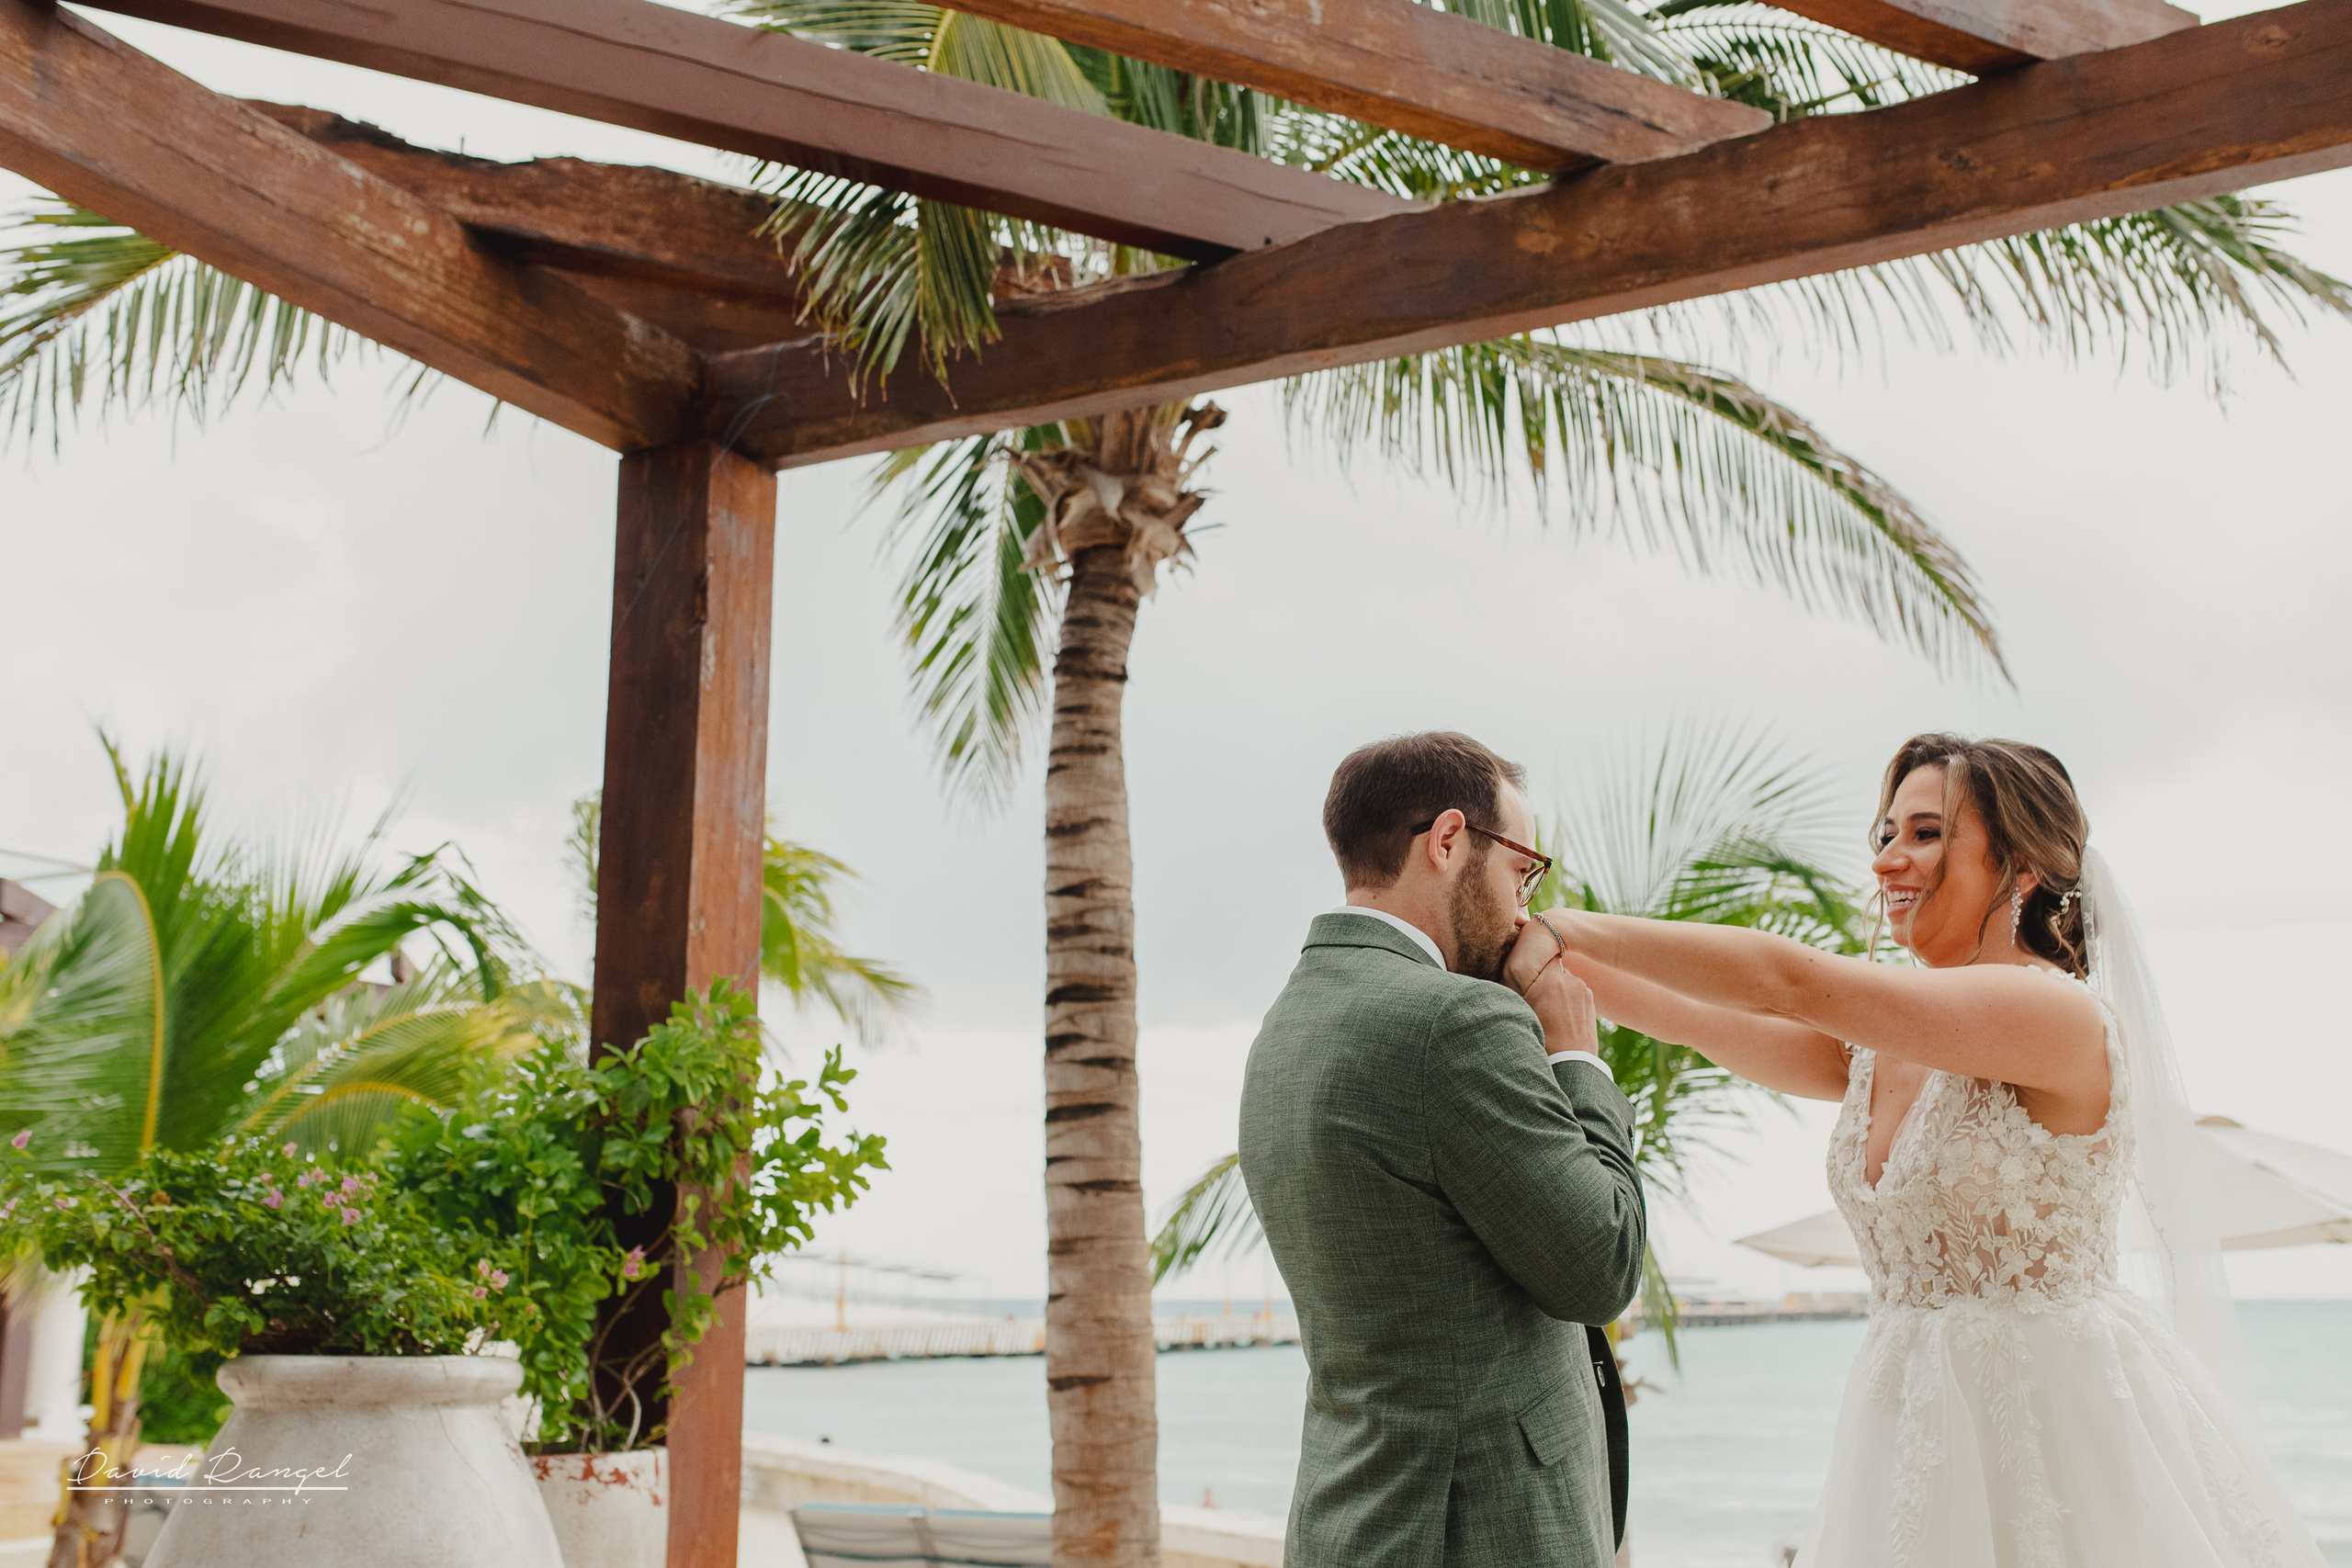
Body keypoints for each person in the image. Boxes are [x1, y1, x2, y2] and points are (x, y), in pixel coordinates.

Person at [1509, 732, 2325, 1568]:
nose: (1889, 860)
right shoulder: (1874, 1048)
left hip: (2054, 1425)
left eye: (1927, 833)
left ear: (2025, 866)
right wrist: (1522, 960)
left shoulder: (2055, 1014)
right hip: (1906, 1429)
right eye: (1887, 834)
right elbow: (1700, 1021)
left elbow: (1786, 980)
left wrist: (1568, 929)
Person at [1238, 731, 1646, 1568]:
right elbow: (1602, 1261)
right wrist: (1576, 1054)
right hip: (1482, 1530)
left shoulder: (1285, 1027)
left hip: (1351, 1518)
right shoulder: (1456, 1023)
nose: (1524, 907)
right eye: (1521, 869)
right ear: (1450, 839)